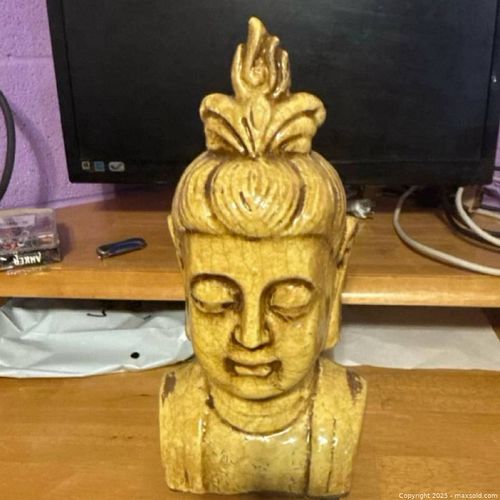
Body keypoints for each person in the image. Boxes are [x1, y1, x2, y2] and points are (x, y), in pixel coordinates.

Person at [159, 17, 366, 498]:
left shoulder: (342, 409)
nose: (251, 336)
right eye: (214, 300)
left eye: (290, 301)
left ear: (335, 281)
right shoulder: (178, 408)